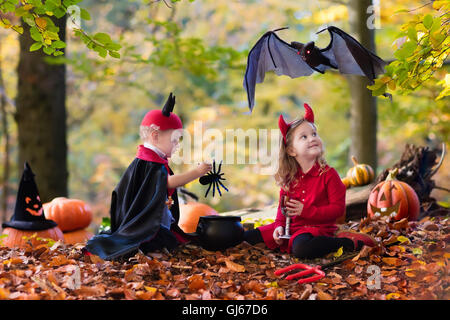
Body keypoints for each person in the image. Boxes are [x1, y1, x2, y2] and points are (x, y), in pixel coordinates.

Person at [84, 93, 211, 260]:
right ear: (155, 136)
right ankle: (148, 251)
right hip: (144, 223)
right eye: (174, 139)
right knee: (153, 235)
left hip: (155, 215)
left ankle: (156, 248)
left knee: (166, 232)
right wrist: (197, 172)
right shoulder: (148, 163)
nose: (177, 144)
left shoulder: (151, 161)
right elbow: (167, 182)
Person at [243, 103, 376, 259]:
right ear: (291, 150)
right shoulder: (290, 177)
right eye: (304, 137)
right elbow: (282, 211)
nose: (312, 139)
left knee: (302, 249)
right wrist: (279, 227)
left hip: (316, 228)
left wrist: (305, 210)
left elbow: (337, 210)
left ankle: (346, 242)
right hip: (291, 228)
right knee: (247, 237)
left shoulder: (329, 174)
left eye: (314, 134)